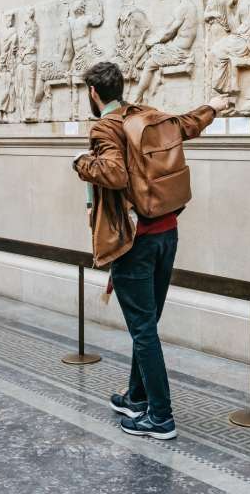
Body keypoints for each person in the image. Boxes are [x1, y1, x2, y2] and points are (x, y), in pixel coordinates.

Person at [71, 61, 228, 440]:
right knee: (148, 325)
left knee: (143, 331)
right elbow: (186, 125)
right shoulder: (145, 116)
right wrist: (213, 107)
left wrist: (80, 163)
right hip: (166, 234)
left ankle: (161, 417)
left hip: (134, 242)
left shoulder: (104, 127)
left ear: (93, 93)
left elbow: (115, 174)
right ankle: (136, 397)